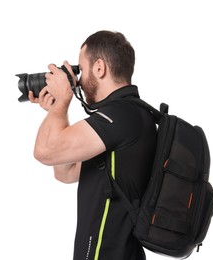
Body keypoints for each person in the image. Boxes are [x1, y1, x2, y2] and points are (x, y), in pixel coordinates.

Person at [29, 30, 157, 260]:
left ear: (100, 67)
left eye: (81, 68)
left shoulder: (122, 116)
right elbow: (65, 172)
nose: (77, 79)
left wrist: (63, 103)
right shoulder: (127, 116)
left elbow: (44, 152)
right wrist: (58, 108)